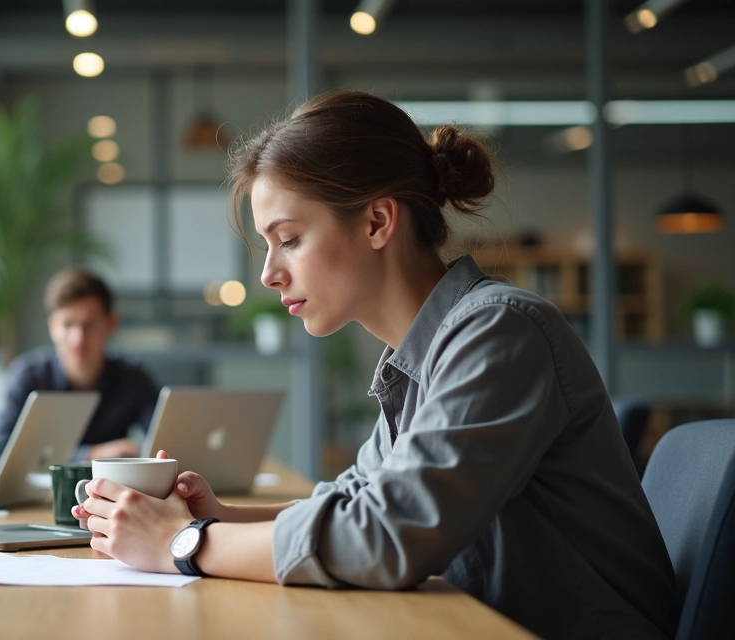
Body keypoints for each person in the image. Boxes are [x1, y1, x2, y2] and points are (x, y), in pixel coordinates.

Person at [72, 91, 677, 639]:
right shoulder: (418, 358)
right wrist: (222, 516)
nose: (268, 273)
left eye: (288, 239)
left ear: (377, 221)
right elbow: (360, 500)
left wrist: (184, 543)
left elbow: (386, 538)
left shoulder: (499, 331)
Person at [0, 267, 159, 462]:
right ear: (53, 327)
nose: (78, 338)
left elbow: (162, 439)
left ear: (111, 324)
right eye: (68, 325)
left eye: (90, 325)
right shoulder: (29, 375)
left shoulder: (133, 377)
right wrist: (90, 455)